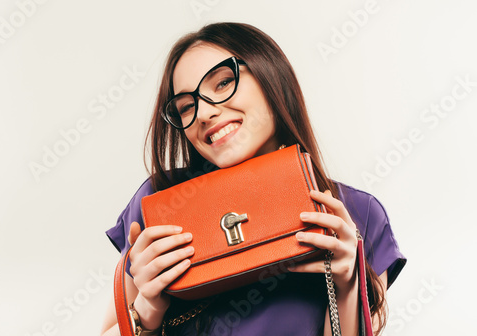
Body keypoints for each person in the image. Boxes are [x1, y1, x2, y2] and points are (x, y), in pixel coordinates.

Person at [100, 22, 406, 336]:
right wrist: (146, 309)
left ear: (271, 75)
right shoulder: (162, 202)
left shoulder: (356, 213)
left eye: (222, 83)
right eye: (187, 107)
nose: (204, 113)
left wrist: (347, 285)